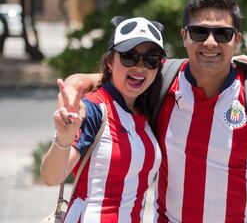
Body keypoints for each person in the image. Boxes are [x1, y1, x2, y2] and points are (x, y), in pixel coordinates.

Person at [59, 0, 247, 223]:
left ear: (236, 40)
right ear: (184, 36)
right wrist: (76, 81)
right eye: (199, 32)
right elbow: (125, 78)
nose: (210, 42)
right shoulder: (162, 82)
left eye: (222, 34)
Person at [41, 16, 167, 222]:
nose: (140, 66)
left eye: (150, 59)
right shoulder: (93, 109)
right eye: (129, 57)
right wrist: (64, 139)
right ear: (110, 61)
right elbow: (51, 177)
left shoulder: (144, 109)